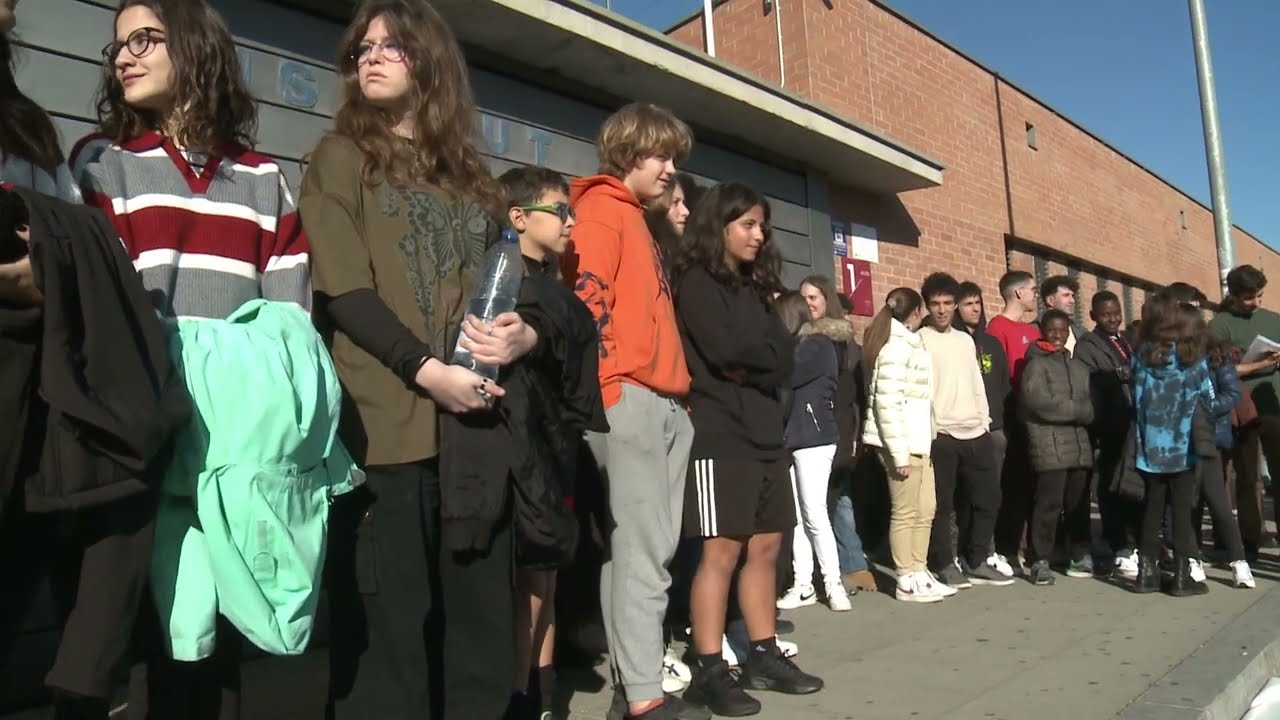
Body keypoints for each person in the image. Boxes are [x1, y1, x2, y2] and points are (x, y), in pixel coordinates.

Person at [70, 0, 311, 716]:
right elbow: (102, 310)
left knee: (214, 655)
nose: (125, 56)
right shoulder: (103, 164)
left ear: (195, 45)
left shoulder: (264, 179)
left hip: (235, 450)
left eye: (145, 39)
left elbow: (289, 326)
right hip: (138, 438)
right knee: (133, 640)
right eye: (118, 46)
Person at [298, 1, 539, 717]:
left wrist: (524, 335)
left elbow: (520, 289)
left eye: (391, 45)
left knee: (477, 643)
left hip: (474, 441)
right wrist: (427, 372)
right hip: (385, 436)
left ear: (429, 61)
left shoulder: (474, 180)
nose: (369, 57)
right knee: (389, 649)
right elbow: (344, 289)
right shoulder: (341, 157)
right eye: (362, 48)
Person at [560, 102, 706, 720]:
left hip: (660, 399)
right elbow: (584, 302)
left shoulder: (635, 219)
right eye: (661, 155)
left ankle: (637, 687)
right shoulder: (602, 209)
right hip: (631, 397)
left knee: (635, 552)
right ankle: (644, 696)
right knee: (644, 553)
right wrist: (612, 389)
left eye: (674, 158)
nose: (670, 169)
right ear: (628, 151)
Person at [674, 181, 821, 718]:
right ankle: (710, 669)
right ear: (720, 226)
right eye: (748, 225)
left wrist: (758, 358)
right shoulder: (695, 281)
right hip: (720, 434)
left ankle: (763, 654)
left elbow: (782, 357)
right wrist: (760, 355)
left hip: (765, 432)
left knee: (766, 548)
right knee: (721, 552)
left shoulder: (756, 288)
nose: (759, 235)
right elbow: (725, 349)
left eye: (763, 226)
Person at [496, 164, 612, 720]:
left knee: (546, 569)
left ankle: (541, 692)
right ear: (519, 217)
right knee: (529, 573)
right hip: (520, 438)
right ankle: (521, 694)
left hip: (555, 441)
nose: (570, 222)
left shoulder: (551, 283)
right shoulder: (502, 280)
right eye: (559, 211)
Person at [918, 273, 1011, 588]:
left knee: (988, 499)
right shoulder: (920, 340)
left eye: (947, 303)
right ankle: (944, 562)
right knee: (943, 506)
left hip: (976, 430)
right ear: (927, 306)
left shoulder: (965, 340)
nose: (942, 310)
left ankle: (977, 559)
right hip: (942, 434)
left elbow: (976, 383)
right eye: (935, 304)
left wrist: (984, 420)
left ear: (955, 305)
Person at [861, 287, 947, 602]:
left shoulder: (912, 344)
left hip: (920, 441)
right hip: (902, 444)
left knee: (926, 509)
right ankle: (906, 578)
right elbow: (887, 404)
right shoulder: (895, 349)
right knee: (906, 511)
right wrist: (899, 454)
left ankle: (920, 571)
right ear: (916, 312)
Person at [773, 290, 853, 612]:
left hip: (814, 437)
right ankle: (803, 584)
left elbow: (787, 376)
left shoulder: (816, 345)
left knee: (815, 513)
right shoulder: (804, 346)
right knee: (797, 517)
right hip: (795, 438)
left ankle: (833, 584)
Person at [1131, 298, 1214, 596]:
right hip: (1183, 445)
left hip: (1151, 445)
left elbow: (1136, 399)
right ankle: (1181, 574)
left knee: (1151, 509)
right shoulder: (1194, 360)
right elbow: (1208, 400)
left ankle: (1146, 573)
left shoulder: (1143, 355)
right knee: (1181, 511)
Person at [797, 275, 875, 593]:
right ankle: (851, 566)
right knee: (836, 501)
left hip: (833, 431)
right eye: (803, 298)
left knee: (824, 505)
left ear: (826, 300)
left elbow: (855, 395)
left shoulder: (835, 343)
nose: (808, 304)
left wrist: (855, 437)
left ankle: (829, 575)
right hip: (820, 431)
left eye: (813, 297)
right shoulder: (806, 337)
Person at [1209, 265, 1280, 560]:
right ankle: (1250, 539)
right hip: (1242, 410)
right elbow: (1219, 368)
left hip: (1274, 406)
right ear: (1234, 295)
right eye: (1249, 297)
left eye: (1259, 295)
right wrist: (1261, 364)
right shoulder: (1220, 325)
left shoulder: (1273, 319)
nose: (1256, 302)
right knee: (1248, 478)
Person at [1019, 310, 1094, 586]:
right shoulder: (1036, 365)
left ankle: (1080, 553)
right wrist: (1078, 411)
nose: (1058, 335)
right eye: (1052, 330)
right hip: (1049, 446)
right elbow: (1039, 403)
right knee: (1048, 506)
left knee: (1078, 504)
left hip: (1079, 446)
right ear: (1043, 332)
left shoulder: (1078, 366)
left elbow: (1091, 405)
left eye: (1063, 330)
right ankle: (1040, 558)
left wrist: (1084, 411)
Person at [1073, 291, 1141, 579]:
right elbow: (1088, 381)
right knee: (1111, 484)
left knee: (1130, 483)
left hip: (1131, 420)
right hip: (1108, 423)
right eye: (1105, 315)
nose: (1112, 319)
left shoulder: (1126, 340)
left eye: (1116, 313)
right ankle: (1117, 542)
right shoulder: (1087, 345)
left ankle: (1134, 539)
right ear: (1093, 316)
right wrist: (1118, 375)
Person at [953, 281, 1013, 571]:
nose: (975, 309)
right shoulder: (953, 342)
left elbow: (1002, 385)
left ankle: (985, 551)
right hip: (961, 429)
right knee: (961, 497)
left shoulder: (991, 344)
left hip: (994, 429)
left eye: (977, 303)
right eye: (968, 304)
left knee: (989, 496)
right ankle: (958, 552)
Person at [986, 270, 1041, 571]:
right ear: (1019, 293)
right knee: (1012, 485)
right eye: (1033, 289)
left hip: (1036, 418)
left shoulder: (1032, 331)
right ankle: (1006, 546)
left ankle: (1030, 546)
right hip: (1012, 417)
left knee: (1033, 486)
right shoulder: (998, 327)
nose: (1035, 294)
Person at [1038, 275, 1088, 355]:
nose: (1072, 301)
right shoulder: (1035, 329)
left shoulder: (1080, 331)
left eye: (1072, 296)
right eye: (1066, 295)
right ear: (1050, 300)